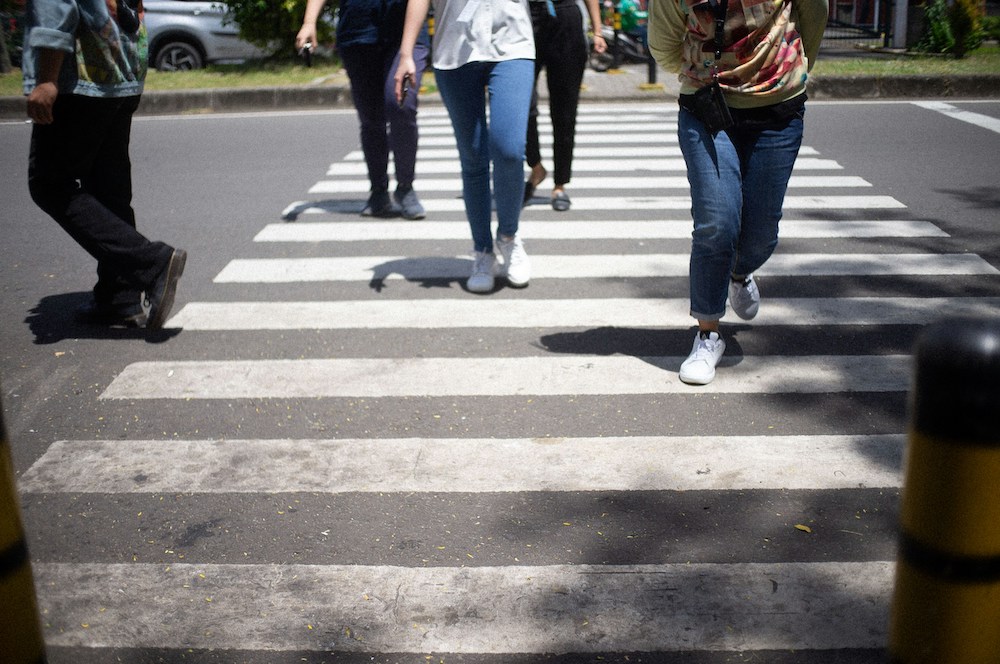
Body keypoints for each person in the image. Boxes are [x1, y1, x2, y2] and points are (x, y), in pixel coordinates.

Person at [648, 0, 828, 385]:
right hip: (706, 107)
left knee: (761, 232)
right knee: (717, 223)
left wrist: (787, 67)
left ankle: (740, 272)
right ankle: (708, 333)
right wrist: (703, 71)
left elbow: (813, 16)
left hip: (778, 111)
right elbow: (663, 44)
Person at [23, 0, 186, 330]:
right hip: (119, 69)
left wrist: (47, 79)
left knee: (50, 184)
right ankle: (120, 298)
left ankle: (151, 263)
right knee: (108, 189)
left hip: (81, 76)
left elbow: (56, 6)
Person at [394, 0, 535, 293]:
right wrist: (406, 52)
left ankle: (508, 237)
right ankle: (482, 250)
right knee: (473, 156)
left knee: (510, 150)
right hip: (454, 48)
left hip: (513, 43)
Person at [297, 0, 430, 220]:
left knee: (401, 106)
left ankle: (405, 187)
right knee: (371, 118)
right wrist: (309, 22)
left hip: (406, 33)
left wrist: (406, 54)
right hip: (358, 32)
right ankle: (378, 191)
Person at [522, 0, 606, 211]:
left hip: (565, 18)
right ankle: (536, 166)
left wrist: (597, 30)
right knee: (521, 104)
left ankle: (560, 185)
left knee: (564, 109)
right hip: (525, 18)